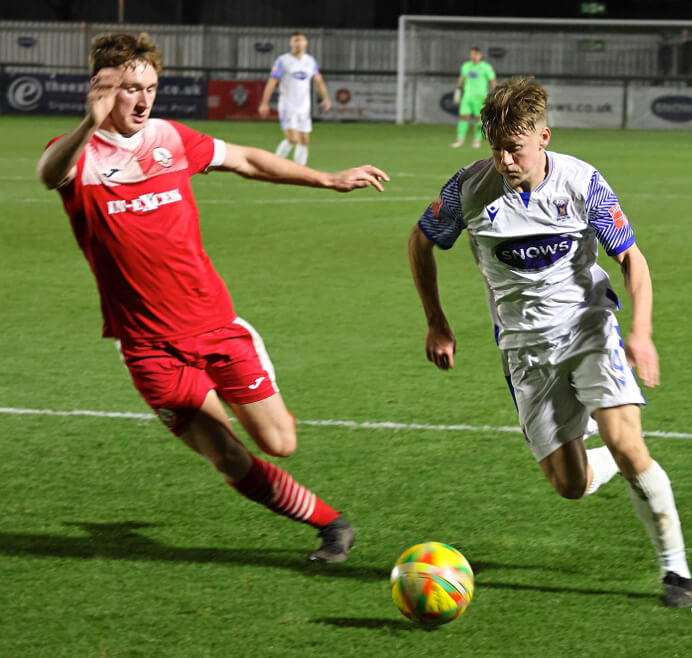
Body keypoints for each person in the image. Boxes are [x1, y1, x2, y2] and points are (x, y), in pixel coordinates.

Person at [37, 33, 388, 563]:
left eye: (150, 88)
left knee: (279, 443)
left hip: (215, 324)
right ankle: (330, 524)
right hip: (148, 346)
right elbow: (49, 175)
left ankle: (236, 388)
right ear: (103, 89)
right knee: (226, 455)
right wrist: (90, 122)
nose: (143, 99)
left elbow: (245, 159)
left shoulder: (169, 138)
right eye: (131, 89)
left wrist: (329, 180)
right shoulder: (79, 156)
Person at [409, 76, 692, 607]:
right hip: (524, 350)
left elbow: (631, 258)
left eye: (514, 148)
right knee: (570, 485)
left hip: (589, 329)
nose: (504, 159)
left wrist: (641, 330)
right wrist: (436, 321)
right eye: (496, 148)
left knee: (629, 443)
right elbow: (420, 241)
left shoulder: (582, 182)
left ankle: (675, 572)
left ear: (543, 137)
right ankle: (613, 449)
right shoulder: (468, 189)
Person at [257, 32, 331, 166]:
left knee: (304, 141)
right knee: (292, 139)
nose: (297, 43)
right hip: (288, 105)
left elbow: (318, 81)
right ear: (291, 44)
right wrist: (264, 103)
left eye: (300, 40)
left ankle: (300, 172)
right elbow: (272, 82)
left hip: (304, 106)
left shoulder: (310, 61)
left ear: (305, 43)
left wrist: (325, 98)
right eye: (295, 41)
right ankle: (273, 168)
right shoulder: (283, 60)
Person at [450, 47, 496, 149]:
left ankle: (477, 140)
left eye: (476, 54)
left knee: (478, 119)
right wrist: (458, 90)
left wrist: (494, 93)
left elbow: (492, 80)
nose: (474, 56)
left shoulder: (486, 67)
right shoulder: (466, 66)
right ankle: (460, 140)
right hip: (467, 96)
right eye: (472, 54)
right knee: (463, 117)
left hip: (480, 97)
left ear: (480, 55)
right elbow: (462, 78)